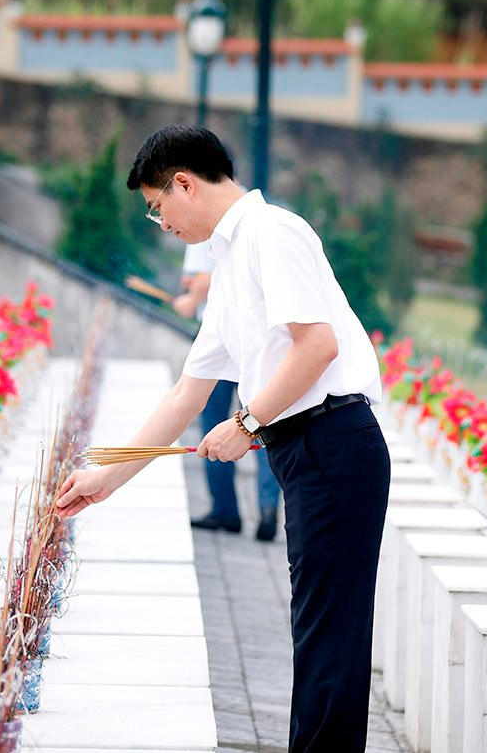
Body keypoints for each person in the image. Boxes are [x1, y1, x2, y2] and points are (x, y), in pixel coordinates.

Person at [56, 125, 390, 751]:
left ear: (184, 183)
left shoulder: (272, 233)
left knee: (330, 634)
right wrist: (108, 477)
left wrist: (245, 423)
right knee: (319, 631)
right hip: (308, 450)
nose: (164, 223)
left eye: (158, 208)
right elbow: (188, 391)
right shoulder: (232, 260)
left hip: (334, 443)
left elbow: (318, 346)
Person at [174, 239, 282, 541]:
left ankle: (225, 509)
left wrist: (190, 300)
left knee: (215, 423)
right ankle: (268, 508)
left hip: (223, 339)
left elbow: (209, 279)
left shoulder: (203, 218)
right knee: (264, 424)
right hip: (257, 339)